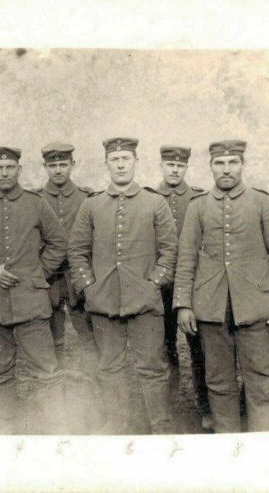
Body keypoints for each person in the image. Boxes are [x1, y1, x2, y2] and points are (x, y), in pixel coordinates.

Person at [174, 140, 269, 433]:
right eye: (219, 163)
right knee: (218, 383)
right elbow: (186, 257)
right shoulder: (198, 206)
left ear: (242, 165)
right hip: (211, 309)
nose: (226, 169)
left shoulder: (262, 203)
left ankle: (266, 450)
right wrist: (184, 305)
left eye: (232, 163)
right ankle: (227, 444)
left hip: (255, 308)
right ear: (211, 166)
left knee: (261, 382)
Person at [0, 146, 68, 434]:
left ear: (19, 170)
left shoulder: (36, 203)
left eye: (10, 167)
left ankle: (55, 426)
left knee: (45, 369)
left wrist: (36, 274)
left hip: (30, 303)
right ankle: (9, 425)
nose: (4, 172)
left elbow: (58, 243)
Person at [68, 137, 178, 434]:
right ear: (106, 164)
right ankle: (116, 422)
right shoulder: (91, 205)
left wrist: (153, 283)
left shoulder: (155, 203)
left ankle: (160, 424)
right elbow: (76, 251)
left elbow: (170, 250)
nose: (120, 165)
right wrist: (89, 287)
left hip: (145, 303)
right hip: (103, 303)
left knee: (152, 367)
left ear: (135, 162)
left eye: (125, 159)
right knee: (109, 366)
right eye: (114, 160)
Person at [155, 144, 211, 430]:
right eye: (169, 165)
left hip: (192, 287)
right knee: (164, 347)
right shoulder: (149, 198)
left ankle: (205, 405)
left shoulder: (199, 198)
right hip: (161, 287)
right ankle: (166, 405)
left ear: (185, 168)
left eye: (179, 166)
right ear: (161, 167)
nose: (174, 170)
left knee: (198, 348)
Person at [35, 142, 97, 367]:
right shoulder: (35, 198)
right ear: (45, 166)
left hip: (77, 275)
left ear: (73, 164)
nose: (58, 170)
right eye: (53, 165)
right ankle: (56, 385)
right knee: (52, 337)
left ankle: (95, 387)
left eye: (63, 164)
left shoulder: (86, 197)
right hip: (48, 277)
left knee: (89, 336)